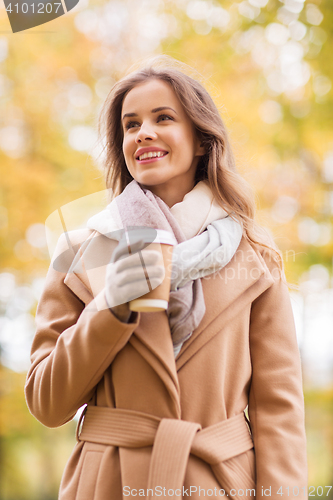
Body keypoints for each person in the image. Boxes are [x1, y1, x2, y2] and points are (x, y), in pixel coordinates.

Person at [25, 55, 308, 500]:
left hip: (217, 483)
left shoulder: (255, 256)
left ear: (200, 140)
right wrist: (110, 307)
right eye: (131, 124)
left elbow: (279, 412)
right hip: (108, 484)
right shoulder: (80, 250)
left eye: (163, 118)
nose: (144, 133)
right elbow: (46, 402)